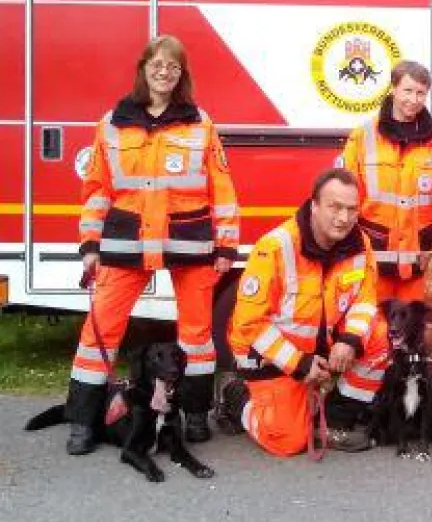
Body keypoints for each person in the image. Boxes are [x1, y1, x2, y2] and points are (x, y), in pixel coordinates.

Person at [67, 35, 238, 455]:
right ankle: (84, 422)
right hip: (126, 242)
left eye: (173, 67)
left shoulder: (200, 123)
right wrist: (90, 243)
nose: (165, 72)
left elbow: (222, 188)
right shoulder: (112, 122)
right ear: (143, 68)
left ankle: (194, 416)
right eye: (157, 64)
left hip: (190, 243)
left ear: (182, 75)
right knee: (99, 332)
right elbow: (97, 190)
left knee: (197, 337)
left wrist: (226, 246)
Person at [219, 168, 389, 456]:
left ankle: (337, 419)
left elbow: (365, 298)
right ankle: (235, 397)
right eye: (334, 207)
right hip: (269, 355)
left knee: (380, 337)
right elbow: (250, 323)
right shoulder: (275, 247)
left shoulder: (360, 244)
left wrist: (350, 340)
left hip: (318, 351)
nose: (343, 218)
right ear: (314, 205)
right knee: (287, 441)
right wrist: (298, 363)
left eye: (351, 209)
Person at [337, 60, 432, 301]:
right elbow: (347, 195)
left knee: (419, 328)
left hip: (420, 262)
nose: (413, 100)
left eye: (420, 93)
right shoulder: (363, 137)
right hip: (374, 259)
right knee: (372, 327)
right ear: (393, 89)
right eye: (407, 91)